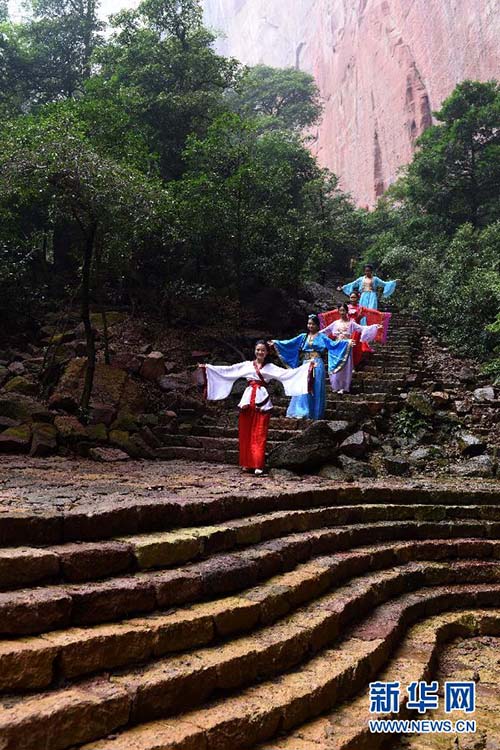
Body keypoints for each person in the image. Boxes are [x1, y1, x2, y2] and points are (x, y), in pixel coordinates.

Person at [198, 341, 313, 475]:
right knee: (245, 432)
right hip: (247, 400)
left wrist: (308, 368)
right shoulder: (247, 365)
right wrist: (207, 368)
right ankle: (247, 463)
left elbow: (287, 374)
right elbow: (229, 370)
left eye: (263, 350)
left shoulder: (270, 367)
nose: (260, 352)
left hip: (261, 401)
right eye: (258, 350)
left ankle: (258, 464)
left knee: (260, 433)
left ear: (266, 352)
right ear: (255, 350)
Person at [269, 314, 350, 419]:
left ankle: (314, 412)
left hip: (317, 364)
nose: (310, 326)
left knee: (315, 386)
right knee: (303, 385)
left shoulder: (322, 337)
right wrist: (276, 343)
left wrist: (347, 343)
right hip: (305, 364)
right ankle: (301, 410)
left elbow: (333, 344)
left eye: (312, 324)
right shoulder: (303, 337)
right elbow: (290, 343)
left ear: (317, 325)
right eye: (309, 323)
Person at [318, 290, 392, 369]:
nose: (352, 299)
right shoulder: (346, 308)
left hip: (355, 329)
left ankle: (352, 365)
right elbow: (334, 313)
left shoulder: (361, 308)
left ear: (358, 298)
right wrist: (323, 316)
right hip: (345, 329)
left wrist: (381, 318)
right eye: (351, 297)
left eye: (354, 297)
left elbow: (372, 313)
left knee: (355, 348)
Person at [319, 303, 382, 394]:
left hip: (347, 346)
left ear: (347, 311)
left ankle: (344, 387)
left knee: (346, 368)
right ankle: (336, 386)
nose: (342, 312)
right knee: (334, 367)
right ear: (338, 311)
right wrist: (314, 334)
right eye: (340, 311)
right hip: (336, 347)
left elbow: (362, 328)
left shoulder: (351, 323)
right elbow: (325, 331)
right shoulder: (335, 323)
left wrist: (374, 327)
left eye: (343, 310)